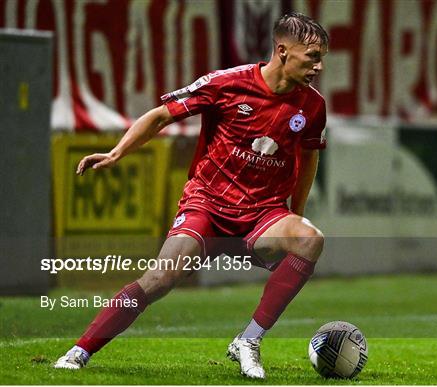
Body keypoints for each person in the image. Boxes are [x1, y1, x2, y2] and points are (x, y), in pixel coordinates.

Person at [54, 12, 329, 379]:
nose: (319, 66)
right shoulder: (227, 83)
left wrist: (297, 212)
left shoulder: (312, 105)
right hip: (208, 205)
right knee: (158, 280)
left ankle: (248, 341)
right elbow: (159, 116)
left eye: (322, 57)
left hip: (262, 214)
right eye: (312, 56)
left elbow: (309, 156)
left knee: (309, 240)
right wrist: (117, 153)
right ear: (282, 51)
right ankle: (80, 350)